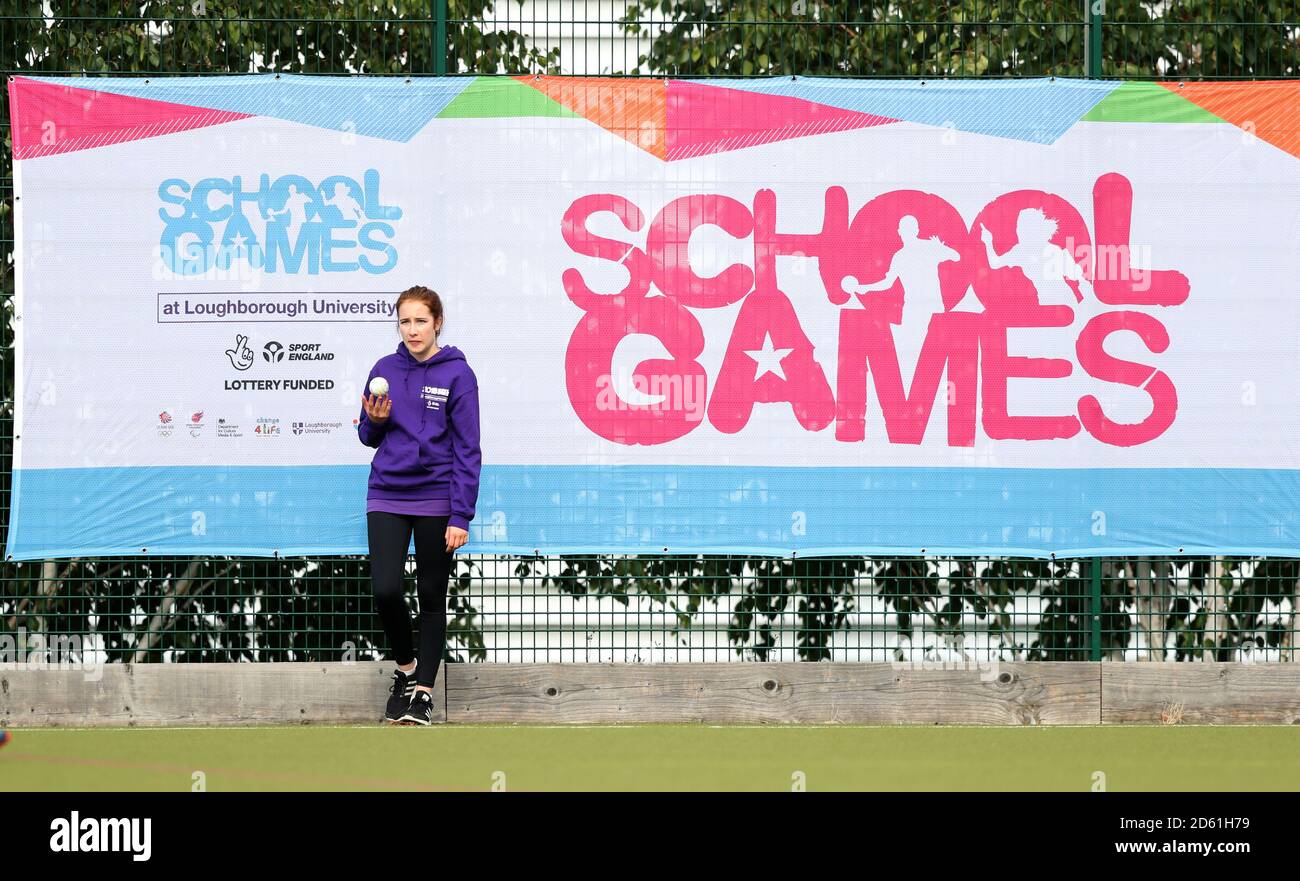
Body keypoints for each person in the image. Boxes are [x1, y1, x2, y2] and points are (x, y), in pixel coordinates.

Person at [358, 285, 481, 725]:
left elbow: (469, 449)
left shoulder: (459, 376)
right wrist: (374, 421)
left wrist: (460, 513)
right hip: (387, 493)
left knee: (431, 595)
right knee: (386, 589)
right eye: (405, 321)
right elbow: (367, 437)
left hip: (437, 498)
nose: (412, 330)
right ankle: (406, 670)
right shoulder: (384, 369)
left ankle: (424, 695)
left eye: (420, 321)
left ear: (438, 323)